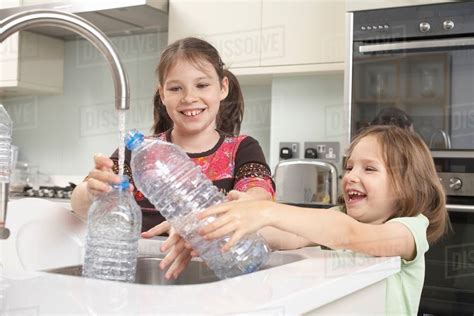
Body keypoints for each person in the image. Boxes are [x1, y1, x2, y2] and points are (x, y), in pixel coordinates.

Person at [70, 37, 275, 278]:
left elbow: (258, 200)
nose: (189, 98)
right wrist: (92, 192)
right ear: (162, 94)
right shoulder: (137, 151)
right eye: (176, 88)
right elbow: (79, 205)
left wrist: (194, 223)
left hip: (216, 276)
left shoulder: (243, 149)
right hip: (141, 275)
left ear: (223, 88)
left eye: (202, 85)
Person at [196, 125, 449, 314]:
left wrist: (266, 211)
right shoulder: (338, 217)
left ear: (406, 185)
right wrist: (215, 228)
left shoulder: (410, 229)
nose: (351, 176)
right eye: (349, 167)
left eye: (369, 169)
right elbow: (286, 235)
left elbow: (350, 235)